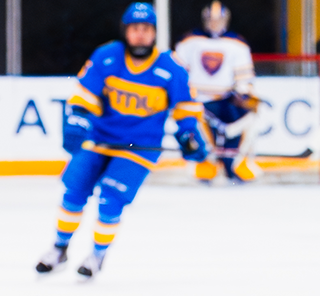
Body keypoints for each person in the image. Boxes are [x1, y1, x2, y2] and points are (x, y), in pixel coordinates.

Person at [36, 2, 211, 279]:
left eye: (146, 29)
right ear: (125, 31)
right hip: (99, 139)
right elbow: (85, 94)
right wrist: (78, 118)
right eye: (135, 28)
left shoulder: (171, 67)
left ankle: (97, 255)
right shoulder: (107, 56)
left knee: (111, 199)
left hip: (138, 148)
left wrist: (189, 134)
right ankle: (59, 249)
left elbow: (185, 108)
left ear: (154, 33)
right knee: (74, 192)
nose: (140, 34)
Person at [174, 2, 261, 183]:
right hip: (197, 100)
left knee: (251, 115)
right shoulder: (189, 41)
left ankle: (236, 163)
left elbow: (244, 79)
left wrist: (243, 93)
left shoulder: (237, 44)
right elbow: (177, 74)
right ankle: (206, 164)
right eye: (211, 20)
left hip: (226, 100)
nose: (214, 24)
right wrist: (184, 94)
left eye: (218, 20)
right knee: (194, 123)